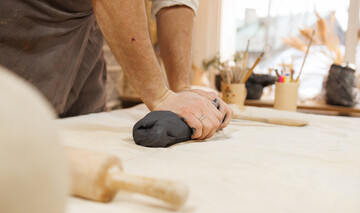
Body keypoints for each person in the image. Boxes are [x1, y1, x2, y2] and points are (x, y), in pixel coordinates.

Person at [0, 0, 233, 140]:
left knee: (89, 142)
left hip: (82, 30)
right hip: (22, 25)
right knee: (17, 144)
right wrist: (159, 95)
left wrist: (181, 88)